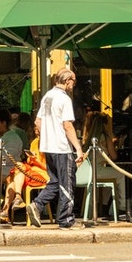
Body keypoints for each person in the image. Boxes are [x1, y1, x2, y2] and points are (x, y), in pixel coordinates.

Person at [30, 67, 83, 229]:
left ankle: (37, 205)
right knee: (67, 184)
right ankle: (66, 219)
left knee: (54, 181)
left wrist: (46, 136)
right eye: (73, 81)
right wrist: (78, 148)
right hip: (62, 147)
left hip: (48, 147)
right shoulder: (64, 99)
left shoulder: (47, 96)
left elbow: (37, 122)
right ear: (68, 81)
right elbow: (67, 125)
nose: (74, 85)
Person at [0, 118, 47, 224]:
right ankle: (8, 209)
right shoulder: (34, 142)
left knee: (18, 167)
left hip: (42, 174)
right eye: (34, 126)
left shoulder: (48, 144)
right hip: (30, 171)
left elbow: (48, 167)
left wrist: (35, 161)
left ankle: (14, 201)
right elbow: (31, 161)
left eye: (37, 125)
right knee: (11, 176)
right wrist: (29, 158)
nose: (34, 128)